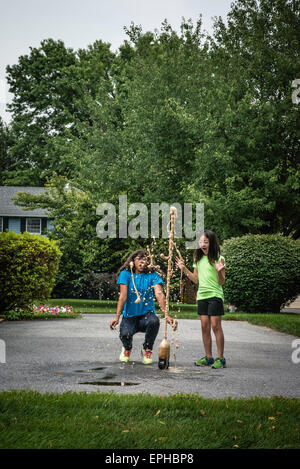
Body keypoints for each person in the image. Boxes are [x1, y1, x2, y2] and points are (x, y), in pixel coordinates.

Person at [110, 250, 175, 364]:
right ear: (133, 261)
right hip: (130, 316)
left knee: (154, 321)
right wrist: (116, 317)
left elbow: (159, 294)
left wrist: (166, 315)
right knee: (125, 334)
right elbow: (123, 296)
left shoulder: (153, 275)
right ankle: (127, 348)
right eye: (139, 258)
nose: (142, 261)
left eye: (145, 259)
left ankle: (147, 349)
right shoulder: (125, 274)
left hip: (146, 316)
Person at [176, 230, 226, 369]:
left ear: (211, 243)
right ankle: (209, 357)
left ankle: (220, 358)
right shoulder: (197, 259)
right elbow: (196, 279)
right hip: (202, 296)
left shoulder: (219, 258)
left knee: (216, 326)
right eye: (200, 242)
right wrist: (184, 268)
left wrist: (219, 270)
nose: (202, 244)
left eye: (205, 241)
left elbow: (222, 282)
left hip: (215, 295)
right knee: (204, 326)